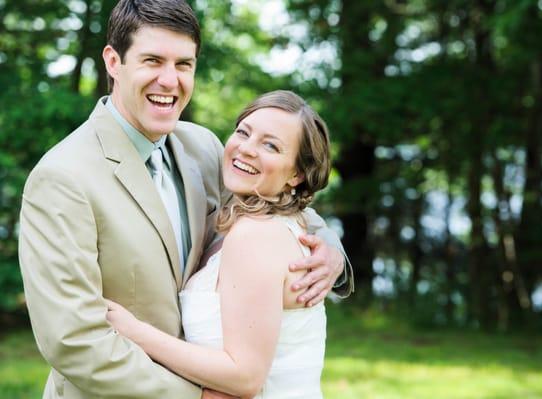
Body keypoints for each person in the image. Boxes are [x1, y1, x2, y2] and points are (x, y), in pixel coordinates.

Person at [17, 1, 353, 398]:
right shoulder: (63, 177)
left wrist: (331, 248)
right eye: (152, 60)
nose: (169, 80)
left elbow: (277, 206)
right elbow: (73, 341)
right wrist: (196, 396)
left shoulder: (204, 148)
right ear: (113, 61)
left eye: (183, 64)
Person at [107, 90, 334, 399]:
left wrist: (135, 332)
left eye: (270, 145)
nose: (247, 149)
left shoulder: (255, 236)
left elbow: (245, 377)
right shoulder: (274, 226)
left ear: (296, 173)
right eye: (243, 132)